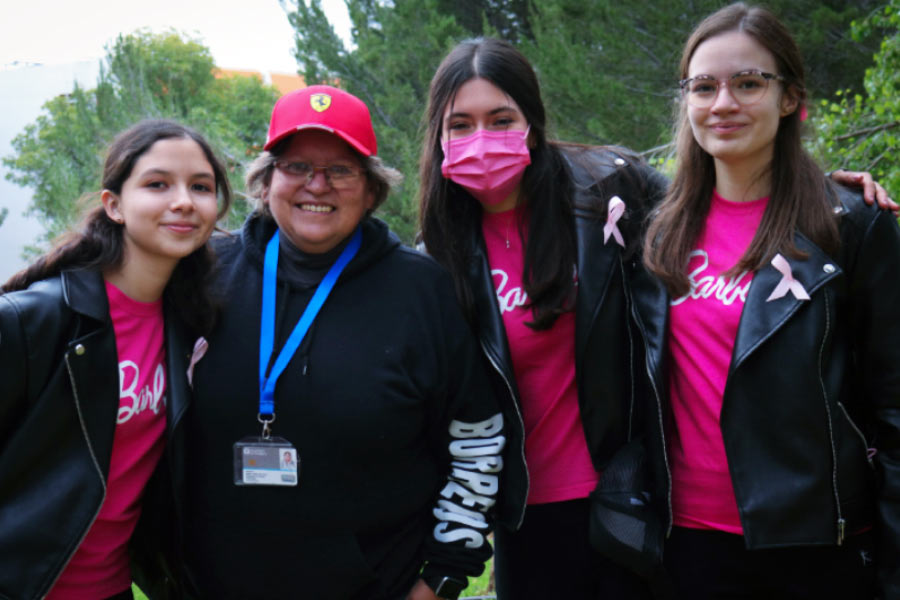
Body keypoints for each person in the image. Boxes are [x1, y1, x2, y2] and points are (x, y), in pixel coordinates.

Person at [418, 37, 894, 600]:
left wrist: (833, 192)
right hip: (526, 517)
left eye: (501, 119)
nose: (483, 140)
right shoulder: (433, 260)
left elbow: (726, 199)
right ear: (438, 137)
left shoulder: (605, 195)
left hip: (632, 501)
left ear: (534, 122)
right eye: (461, 125)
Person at [175, 85, 505, 600]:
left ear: (372, 190)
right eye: (297, 166)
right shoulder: (202, 277)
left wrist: (442, 576)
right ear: (265, 182)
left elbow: (477, 439)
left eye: (342, 170)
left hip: (377, 586)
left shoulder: (422, 292)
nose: (318, 185)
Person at [635, 3, 900, 598]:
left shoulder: (851, 227)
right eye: (703, 87)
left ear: (789, 98)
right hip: (687, 544)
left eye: (748, 83)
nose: (723, 103)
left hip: (814, 545)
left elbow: (895, 408)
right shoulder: (657, 232)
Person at [0, 119, 231, 600]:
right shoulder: (33, 320)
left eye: (201, 187)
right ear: (114, 205)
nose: (184, 200)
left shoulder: (189, 322)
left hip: (112, 589)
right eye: (157, 184)